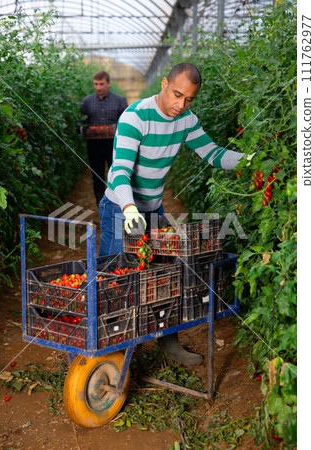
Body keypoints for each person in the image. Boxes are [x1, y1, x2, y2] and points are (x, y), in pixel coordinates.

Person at [98, 62, 253, 366]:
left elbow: (213, 154)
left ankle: (168, 342)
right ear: (165, 83)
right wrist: (129, 208)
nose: (180, 105)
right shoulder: (135, 117)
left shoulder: (186, 120)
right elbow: (120, 172)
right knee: (116, 279)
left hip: (153, 208)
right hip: (119, 207)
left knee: (165, 275)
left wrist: (249, 160)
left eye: (189, 100)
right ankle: (110, 353)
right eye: (177, 95)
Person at [80, 70, 128, 206]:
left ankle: (120, 205)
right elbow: (81, 120)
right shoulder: (87, 102)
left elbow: (127, 121)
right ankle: (102, 207)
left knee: (118, 175)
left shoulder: (119, 101)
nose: (98, 88)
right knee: (97, 177)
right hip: (94, 145)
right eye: (95, 84)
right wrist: (80, 127)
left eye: (101, 84)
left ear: (109, 83)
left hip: (114, 144)